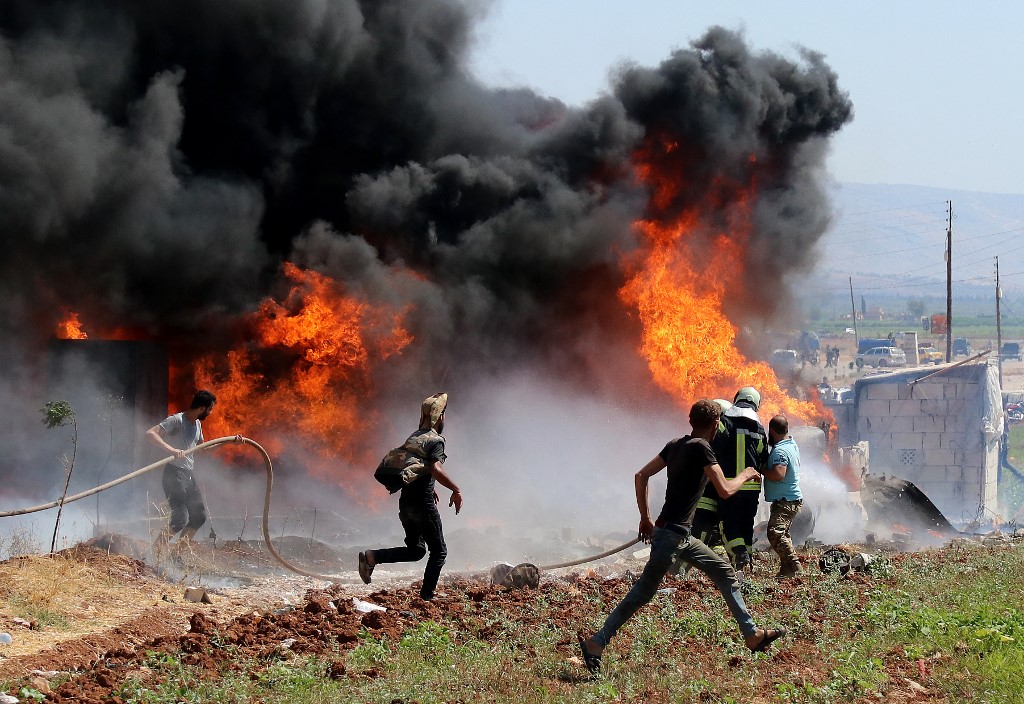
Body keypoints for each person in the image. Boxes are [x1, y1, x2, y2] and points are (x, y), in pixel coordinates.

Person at [577, 399, 786, 674]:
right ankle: (597, 642)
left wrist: (645, 517)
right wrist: (747, 473)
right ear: (716, 424)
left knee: (724, 571)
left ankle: (752, 634)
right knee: (641, 593)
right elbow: (724, 490)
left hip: (677, 534)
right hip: (672, 536)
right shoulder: (702, 448)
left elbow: (641, 475)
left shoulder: (675, 444)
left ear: (691, 421)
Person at [359, 393, 463, 601]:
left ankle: (372, 557)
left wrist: (430, 486)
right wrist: (456, 489)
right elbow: (435, 468)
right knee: (439, 552)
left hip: (406, 504)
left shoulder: (415, 436)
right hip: (422, 506)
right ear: (440, 417)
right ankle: (427, 597)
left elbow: (414, 467)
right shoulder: (436, 441)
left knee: (416, 550)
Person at [146, 390, 216, 547]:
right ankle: (155, 551)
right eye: (210, 409)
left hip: (188, 475)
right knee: (180, 519)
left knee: (199, 516)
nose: (210, 412)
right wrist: (172, 450)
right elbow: (150, 434)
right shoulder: (176, 420)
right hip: (174, 474)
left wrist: (230, 442)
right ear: (202, 408)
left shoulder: (197, 424)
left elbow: (203, 449)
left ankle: (176, 555)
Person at [716, 387, 769, 578]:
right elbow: (764, 457)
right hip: (752, 488)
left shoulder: (726, 422)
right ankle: (746, 565)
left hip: (731, 485)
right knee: (746, 525)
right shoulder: (759, 429)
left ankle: (740, 555)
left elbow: (714, 447)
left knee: (728, 524)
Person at [764, 415, 804, 578]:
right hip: (789, 499)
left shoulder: (780, 450)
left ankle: (795, 566)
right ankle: (786, 571)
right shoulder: (791, 444)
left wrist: (760, 469)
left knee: (775, 532)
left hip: (786, 501)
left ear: (772, 430)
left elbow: (779, 474)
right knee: (783, 534)